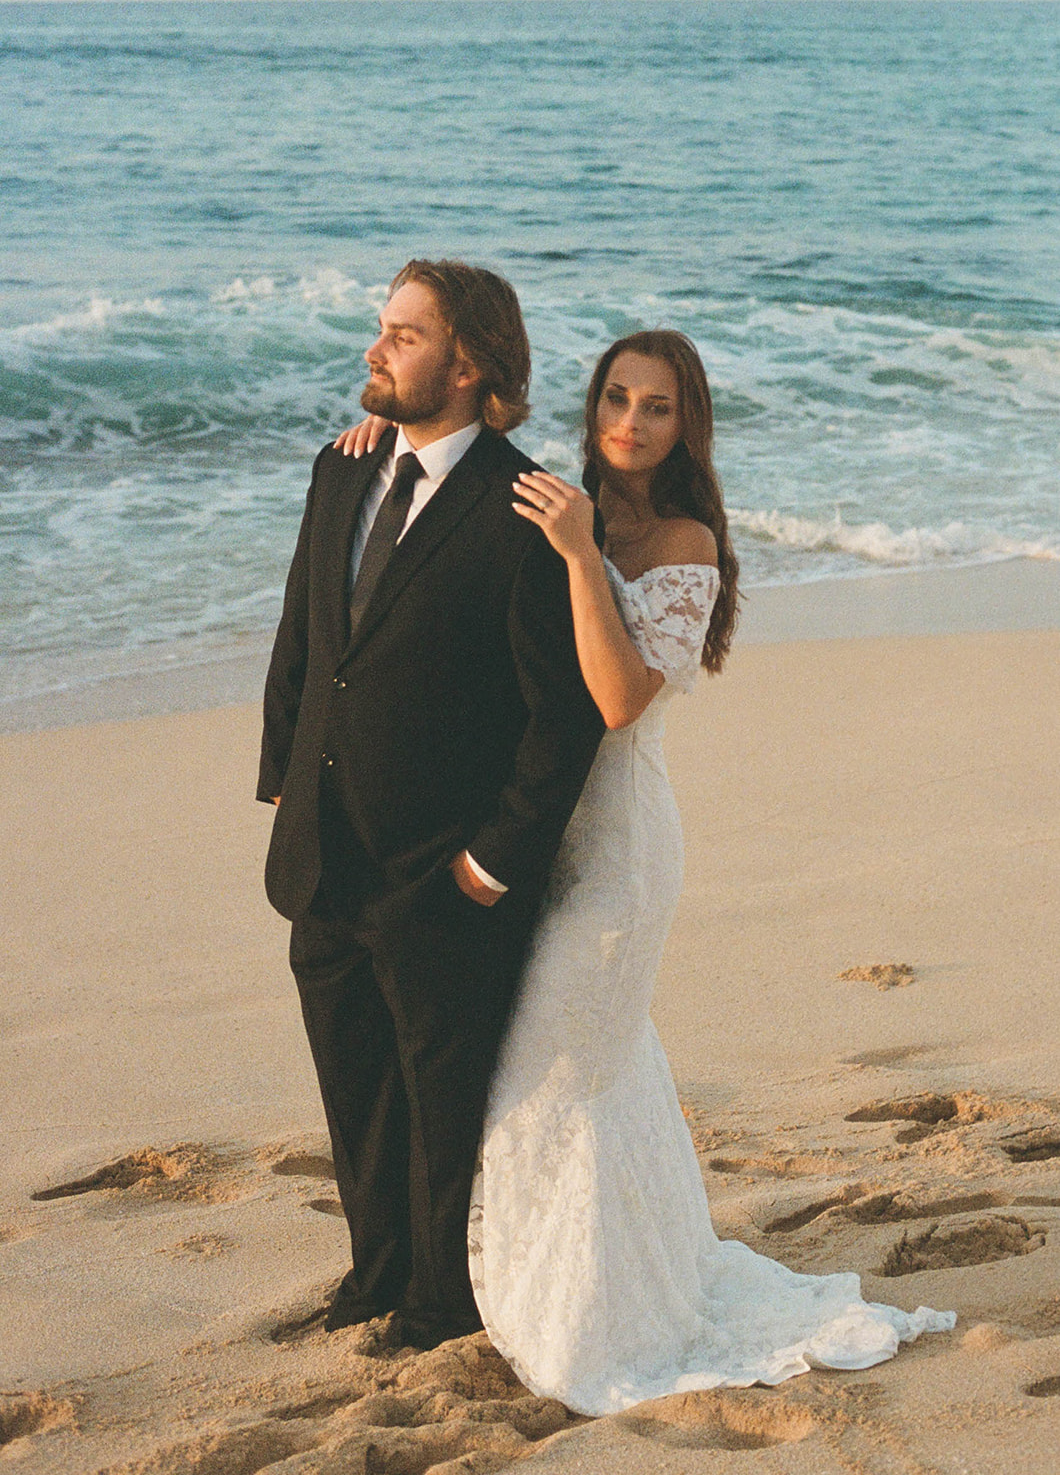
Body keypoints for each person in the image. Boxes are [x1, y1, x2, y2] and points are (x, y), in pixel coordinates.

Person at [338, 328, 955, 1413]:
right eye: (615, 399)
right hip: (530, 840)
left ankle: (583, 1316)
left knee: (554, 1076)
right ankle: (592, 1274)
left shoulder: (685, 539)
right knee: (591, 1077)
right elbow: (451, 499)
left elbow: (619, 700)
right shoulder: (547, 491)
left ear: (687, 424)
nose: (629, 421)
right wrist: (390, 434)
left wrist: (582, 556)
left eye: (656, 406)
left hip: (615, 855)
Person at [256, 260, 604, 1351]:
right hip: (324, 850)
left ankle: (441, 1302)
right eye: (381, 329)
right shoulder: (340, 469)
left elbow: (566, 717)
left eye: (402, 335)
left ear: (469, 363)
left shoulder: (521, 508)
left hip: (443, 870)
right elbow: (306, 640)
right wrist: (283, 782)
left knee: (438, 1096)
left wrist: (491, 863)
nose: (376, 350)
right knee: (355, 1081)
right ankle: (375, 1273)